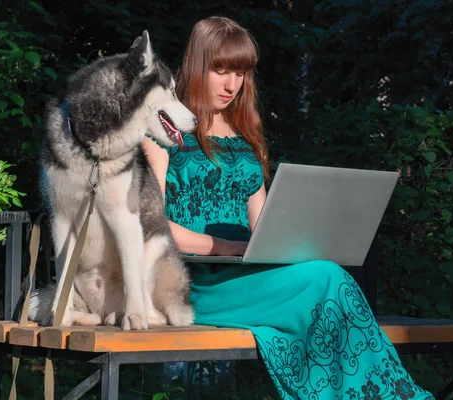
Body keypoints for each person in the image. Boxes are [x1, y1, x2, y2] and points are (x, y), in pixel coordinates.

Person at [142, 15, 434, 400]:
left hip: (246, 272)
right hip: (191, 280)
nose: (232, 85)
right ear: (198, 66)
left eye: (241, 73)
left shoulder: (247, 139)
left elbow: (264, 225)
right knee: (328, 280)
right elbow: (153, 226)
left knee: (326, 276)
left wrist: (303, 238)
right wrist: (222, 246)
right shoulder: (162, 132)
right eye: (221, 70)